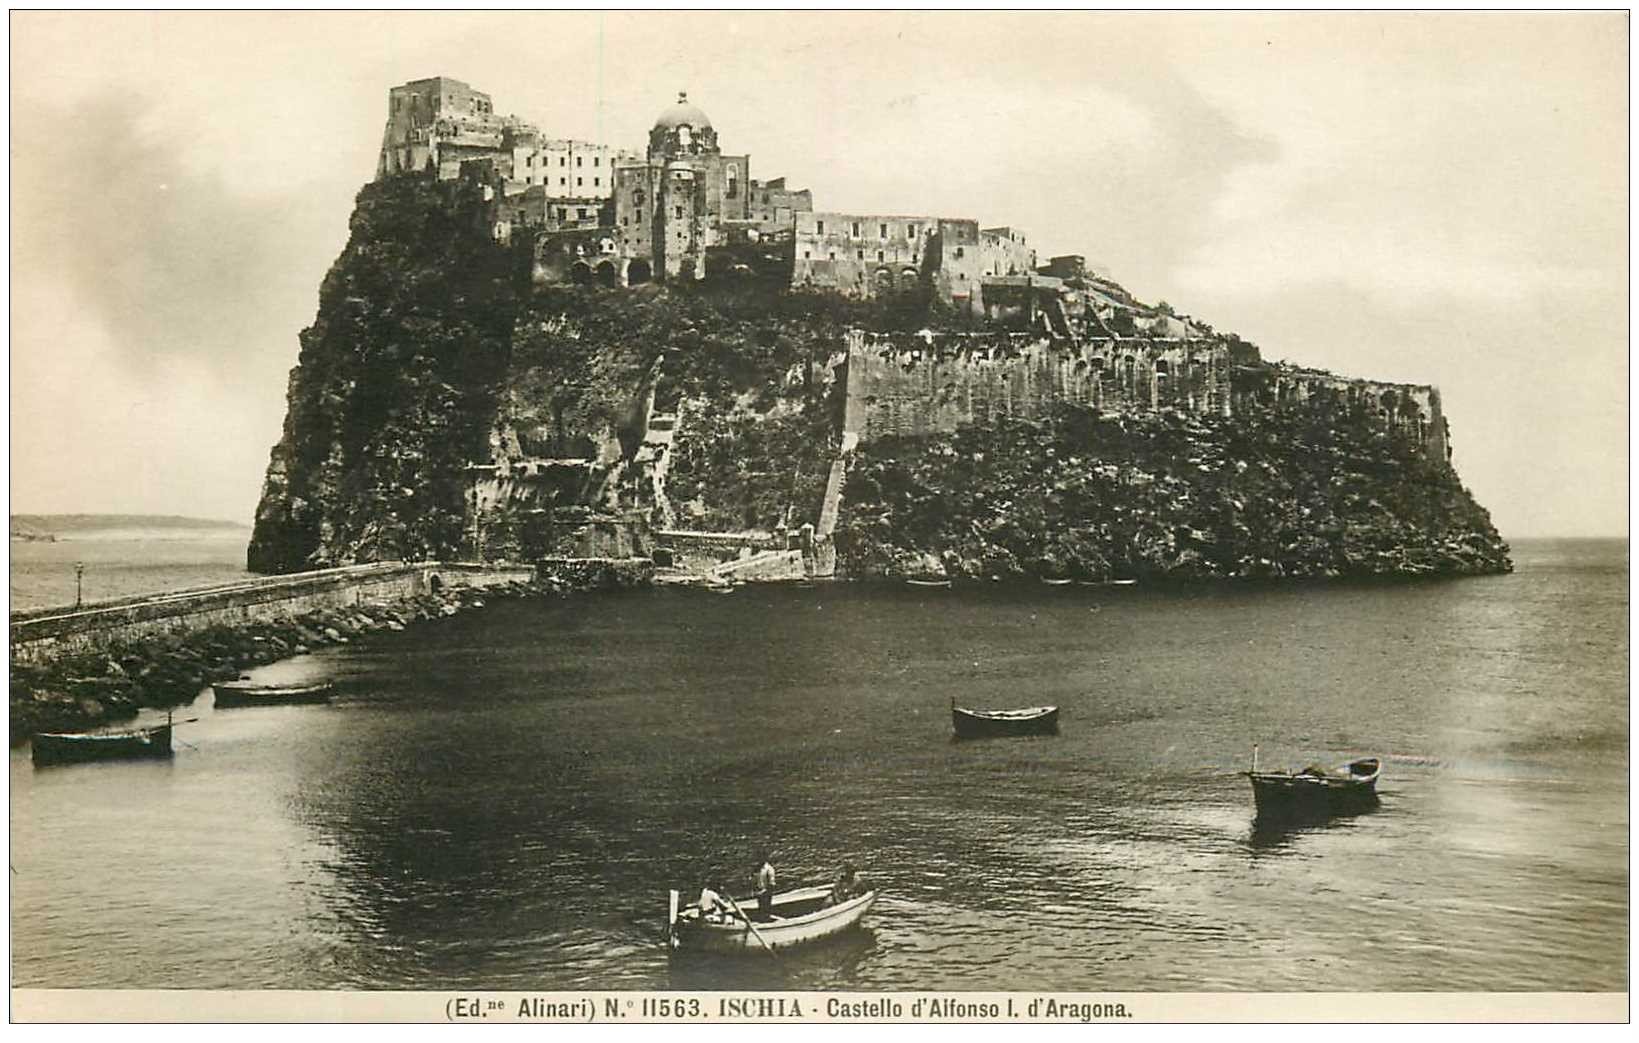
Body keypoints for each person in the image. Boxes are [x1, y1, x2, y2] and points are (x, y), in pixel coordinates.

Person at [754, 854, 777, 921]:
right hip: (760, 890)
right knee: (761, 905)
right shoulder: (758, 868)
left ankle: (767, 918)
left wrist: (767, 890)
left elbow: (771, 881)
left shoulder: (769, 869)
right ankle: (762, 917)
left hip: (766, 890)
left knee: (766, 905)